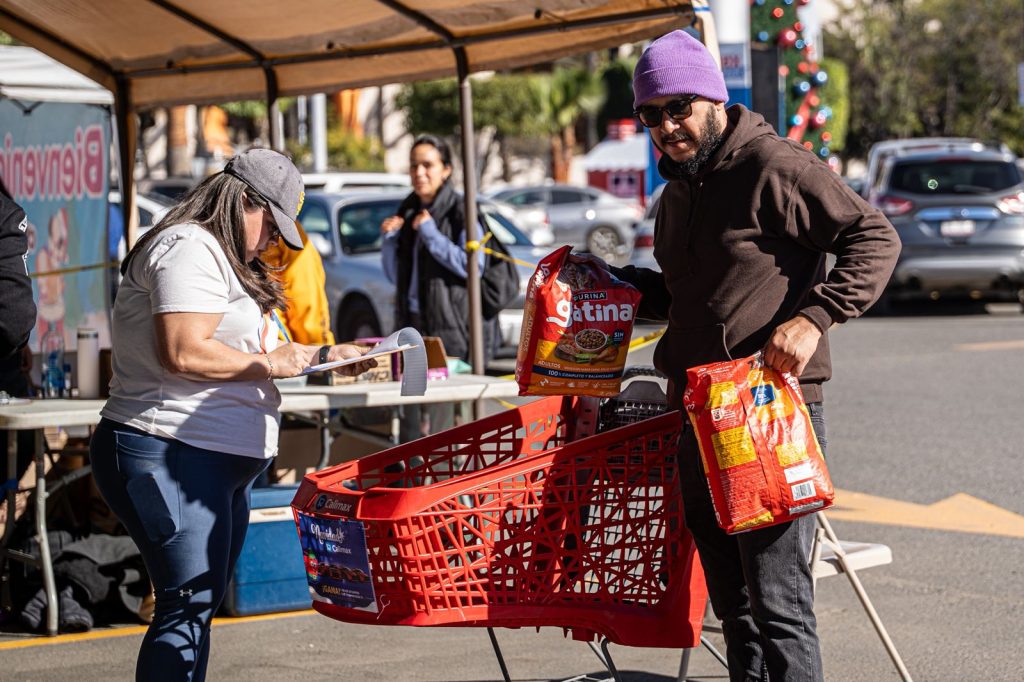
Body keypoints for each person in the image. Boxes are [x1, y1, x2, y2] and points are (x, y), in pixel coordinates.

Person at [608, 31, 900, 681]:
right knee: (734, 611)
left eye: (678, 107)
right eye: (651, 115)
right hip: (697, 416)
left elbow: (875, 238)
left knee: (779, 608)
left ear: (713, 99)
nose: (666, 126)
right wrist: (611, 283)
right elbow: (687, 296)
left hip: (767, 412)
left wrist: (814, 317)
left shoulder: (774, 166)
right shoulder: (676, 193)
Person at [89, 148, 376, 681]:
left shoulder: (220, 254)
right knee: (186, 606)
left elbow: (251, 348)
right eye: (271, 226)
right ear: (244, 200)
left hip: (208, 458)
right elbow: (184, 350)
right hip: (171, 449)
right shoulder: (188, 246)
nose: (272, 242)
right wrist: (271, 364)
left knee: (195, 609)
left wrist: (322, 355)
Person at [380, 134, 492, 438]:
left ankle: (448, 469)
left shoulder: (460, 210)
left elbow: (473, 266)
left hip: (450, 329)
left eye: (427, 165)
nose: (419, 173)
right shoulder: (407, 210)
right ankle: (413, 468)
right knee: (412, 409)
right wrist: (389, 241)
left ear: (446, 169)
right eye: (413, 165)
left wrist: (430, 233)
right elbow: (395, 276)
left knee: (448, 417)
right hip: (412, 324)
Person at [261, 220, 335, 346]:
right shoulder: (284, 228)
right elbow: (306, 305)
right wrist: (319, 350)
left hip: (269, 344)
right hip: (281, 347)